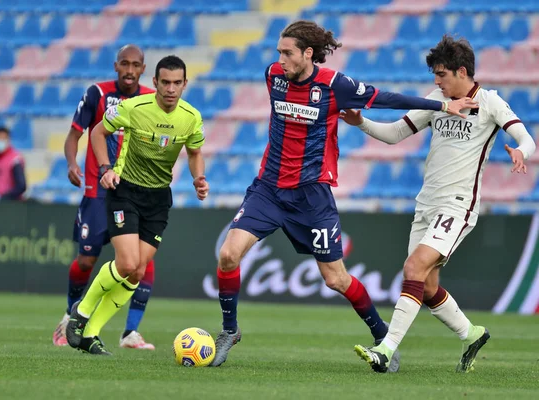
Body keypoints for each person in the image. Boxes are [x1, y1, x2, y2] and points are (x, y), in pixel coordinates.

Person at [209, 21, 477, 369]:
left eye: (288, 52)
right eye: (279, 52)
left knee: (335, 278)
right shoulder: (273, 75)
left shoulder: (336, 86)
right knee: (229, 255)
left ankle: (382, 336)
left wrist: (443, 106)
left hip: (312, 197)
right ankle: (230, 331)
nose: (280, 59)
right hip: (269, 190)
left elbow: (386, 99)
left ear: (308, 53)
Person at [350, 35, 536, 373]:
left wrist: (520, 152)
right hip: (426, 204)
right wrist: (360, 122)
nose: (436, 81)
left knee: (412, 270)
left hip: (458, 205)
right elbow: (395, 134)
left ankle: (386, 349)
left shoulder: (490, 103)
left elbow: (526, 137)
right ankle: (472, 333)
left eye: (441, 74)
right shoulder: (437, 99)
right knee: (428, 285)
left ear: (461, 71)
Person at [66, 55, 209, 355]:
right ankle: (81, 312)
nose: (171, 89)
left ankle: (90, 334)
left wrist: (199, 178)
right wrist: (105, 169)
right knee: (128, 263)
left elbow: (195, 152)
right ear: (155, 82)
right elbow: (97, 133)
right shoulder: (133, 108)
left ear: (185, 84)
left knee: (137, 272)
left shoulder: (191, 116)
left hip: (158, 199)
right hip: (125, 191)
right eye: (165, 82)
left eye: (177, 83)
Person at [52, 45, 158, 351]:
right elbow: (75, 135)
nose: (129, 69)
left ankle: (130, 333)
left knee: (142, 262)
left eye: (135, 65)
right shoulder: (97, 93)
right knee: (86, 260)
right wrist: (72, 164)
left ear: (142, 68)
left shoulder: (151, 98)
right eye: (124, 63)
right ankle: (69, 315)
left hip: (134, 191)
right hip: (98, 191)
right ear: (116, 65)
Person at [0, 126, 26, 201]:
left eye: (2, 139)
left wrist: (4, 197)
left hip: (10, 205)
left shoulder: (15, 160)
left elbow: (21, 186)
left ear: (8, 140)